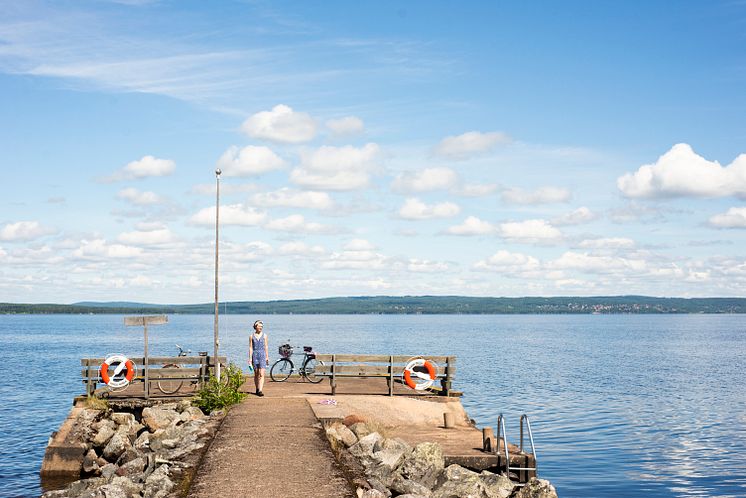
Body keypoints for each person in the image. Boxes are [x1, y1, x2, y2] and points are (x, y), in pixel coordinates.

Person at [249, 320, 269, 396]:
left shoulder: (265, 336)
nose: (261, 327)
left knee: (261, 374)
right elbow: (250, 348)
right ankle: (257, 388)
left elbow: (266, 346)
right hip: (255, 355)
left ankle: (260, 390)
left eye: (262, 326)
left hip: (262, 355)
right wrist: (250, 359)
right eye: (259, 326)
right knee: (256, 373)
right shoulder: (251, 336)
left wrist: (267, 357)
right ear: (255, 327)